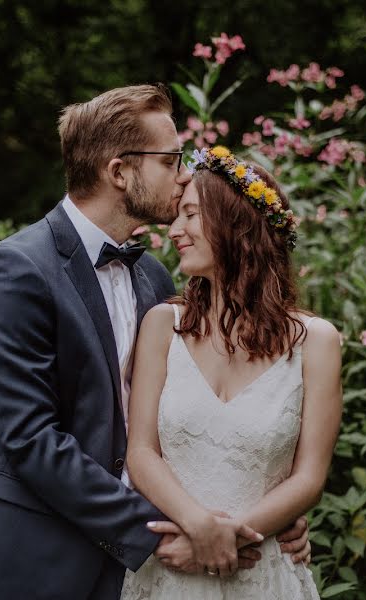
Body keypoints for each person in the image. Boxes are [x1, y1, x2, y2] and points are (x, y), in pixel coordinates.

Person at [0, 86, 310, 600]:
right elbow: (30, 439)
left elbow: (177, 425)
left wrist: (262, 521)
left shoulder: (154, 279)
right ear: (119, 171)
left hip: (131, 575)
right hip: (32, 557)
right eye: (171, 160)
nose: (184, 174)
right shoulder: (18, 269)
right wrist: (156, 535)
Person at [120, 146, 343, 599]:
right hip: (168, 569)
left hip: (263, 569)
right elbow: (141, 452)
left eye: (191, 215)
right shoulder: (163, 325)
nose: (175, 231)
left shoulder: (316, 342)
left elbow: (308, 478)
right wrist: (200, 528)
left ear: (237, 226)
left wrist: (226, 539)